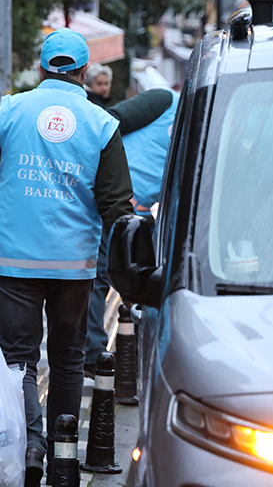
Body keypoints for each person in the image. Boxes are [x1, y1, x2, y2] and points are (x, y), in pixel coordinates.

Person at [0, 28, 134, 486]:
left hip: (13, 262)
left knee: (19, 361)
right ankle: (63, 460)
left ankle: (29, 448)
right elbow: (116, 205)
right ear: (85, 71)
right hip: (73, 265)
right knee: (66, 360)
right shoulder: (101, 124)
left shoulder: (8, 110)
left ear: (42, 67)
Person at [83, 88, 179, 376]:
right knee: (97, 278)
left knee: (137, 283)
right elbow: (109, 121)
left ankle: (120, 354)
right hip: (107, 198)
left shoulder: (202, 130)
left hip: (134, 214)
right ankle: (91, 353)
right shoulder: (165, 101)